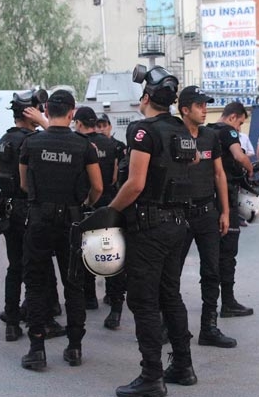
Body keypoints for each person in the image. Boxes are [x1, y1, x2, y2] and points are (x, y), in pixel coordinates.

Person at [108, 66, 196, 396]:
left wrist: (111, 211)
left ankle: (151, 377)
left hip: (149, 225)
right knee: (170, 295)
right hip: (177, 225)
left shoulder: (143, 131)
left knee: (143, 301)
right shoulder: (183, 131)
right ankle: (183, 366)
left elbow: (135, 183)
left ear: (145, 97)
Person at [18, 89, 103, 370]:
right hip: (72, 221)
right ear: (72, 113)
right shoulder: (83, 146)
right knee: (74, 284)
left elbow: (23, 184)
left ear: (46, 110)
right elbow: (99, 187)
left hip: (40, 219)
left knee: (36, 283)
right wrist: (82, 204)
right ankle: (75, 347)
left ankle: (37, 348)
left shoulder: (31, 143)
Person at [0, 98, 64, 343]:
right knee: (39, 267)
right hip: (30, 209)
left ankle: (12, 322)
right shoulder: (34, 140)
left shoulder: (4, 139)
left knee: (15, 267)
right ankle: (44, 320)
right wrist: (44, 122)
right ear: (31, 113)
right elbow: (59, 141)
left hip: (8, 208)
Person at [176, 86, 236, 349]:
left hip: (207, 213)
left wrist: (224, 211)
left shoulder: (211, 136)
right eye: (199, 105)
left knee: (212, 271)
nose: (204, 110)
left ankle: (209, 327)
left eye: (205, 105)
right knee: (171, 273)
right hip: (178, 213)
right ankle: (170, 325)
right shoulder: (173, 135)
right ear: (185, 109)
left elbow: (219, 174)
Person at [207, 102, 255, 318]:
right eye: (240, 123)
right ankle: (228, 302)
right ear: (233, 117)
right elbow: (238, 156)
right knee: (228, 253)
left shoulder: (206, 131)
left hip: (207, 199)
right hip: (226, 197)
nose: (240, 129)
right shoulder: (228, 132)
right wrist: (250, 167)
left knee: (211, 255)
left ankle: (210, 304)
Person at [73, 106, 119, 312]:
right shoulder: (111, 145)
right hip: (108, 203)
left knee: (86, 252)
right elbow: (116, 176)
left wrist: (88, 201)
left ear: (79, 123)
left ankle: (90, 297)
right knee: (109, 252)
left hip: (87, 203)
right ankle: (111, 295)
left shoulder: (79, 145)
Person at [95, 113, 130, 329]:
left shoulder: (118, 146)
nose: (100, 129)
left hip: (109, 203)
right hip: (109, 204)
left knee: (110, 253)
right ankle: (101, 296)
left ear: (109, 126)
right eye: (97, 125)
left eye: (103, 125)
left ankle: (114, 298)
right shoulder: (113, 147)